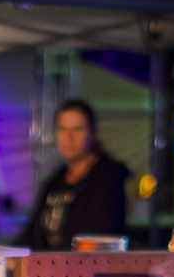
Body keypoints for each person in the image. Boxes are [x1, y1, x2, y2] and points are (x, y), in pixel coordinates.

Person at [19, 99, 129, 250]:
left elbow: (97, 236)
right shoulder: (55, 181)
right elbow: (32, 234)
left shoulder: (108, 178)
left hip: (87, 269)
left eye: (77, 129)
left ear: (92, 133)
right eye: (62, 129)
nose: (69, 137)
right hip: (49, 268)